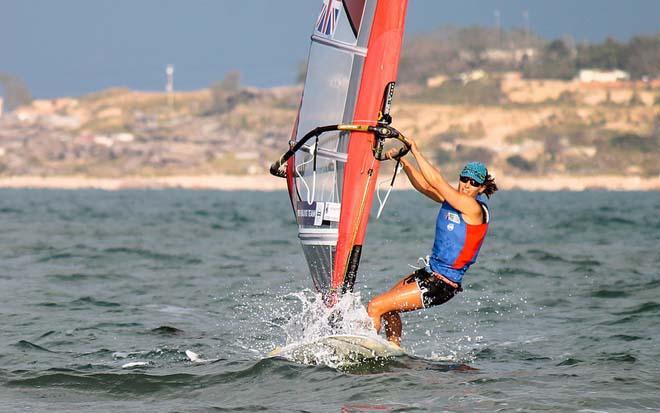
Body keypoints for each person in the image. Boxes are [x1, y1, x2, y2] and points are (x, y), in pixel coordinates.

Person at [367, 138, 498, 346]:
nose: (467, 185)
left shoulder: (473, 209)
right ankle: (392, 351)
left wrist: (416, 151)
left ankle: (367, 351)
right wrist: (405, 162)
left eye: (474, 183)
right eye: (464, 179)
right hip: (429, 273)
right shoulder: (453, 200)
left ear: (481, 188)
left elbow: (436, 181)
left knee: (375, 307)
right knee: (387, 309)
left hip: (441, 284)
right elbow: (426, 187)